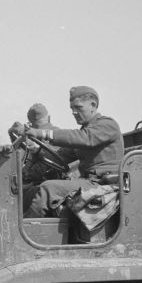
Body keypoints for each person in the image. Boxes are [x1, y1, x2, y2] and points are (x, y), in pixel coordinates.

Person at [17, 86, 124, 218]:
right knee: (31, 190)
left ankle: (26, 234)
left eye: (78, 107)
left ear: (93, 105)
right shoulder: (84, 133)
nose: (73, 112)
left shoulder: (107, 125)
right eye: (72, 108)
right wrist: (37, 151)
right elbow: (59, 156)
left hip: (104, 184)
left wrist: (40, 133)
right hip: (88, 183)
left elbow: (84, 138)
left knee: (47, 189)